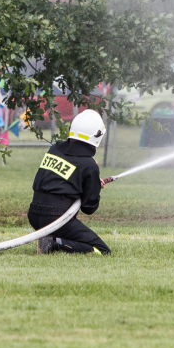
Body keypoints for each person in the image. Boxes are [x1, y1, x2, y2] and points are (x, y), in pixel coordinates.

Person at [32, 109, 111, 254]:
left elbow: (59, 180)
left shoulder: (54, 149)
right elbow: (89, 208)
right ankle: (53, 243)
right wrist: (92, 187)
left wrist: (89, 182)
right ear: (98, 135)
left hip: (34, 215)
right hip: (57, 219)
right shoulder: (89, 165)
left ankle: (50, 239)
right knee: (102, 250)